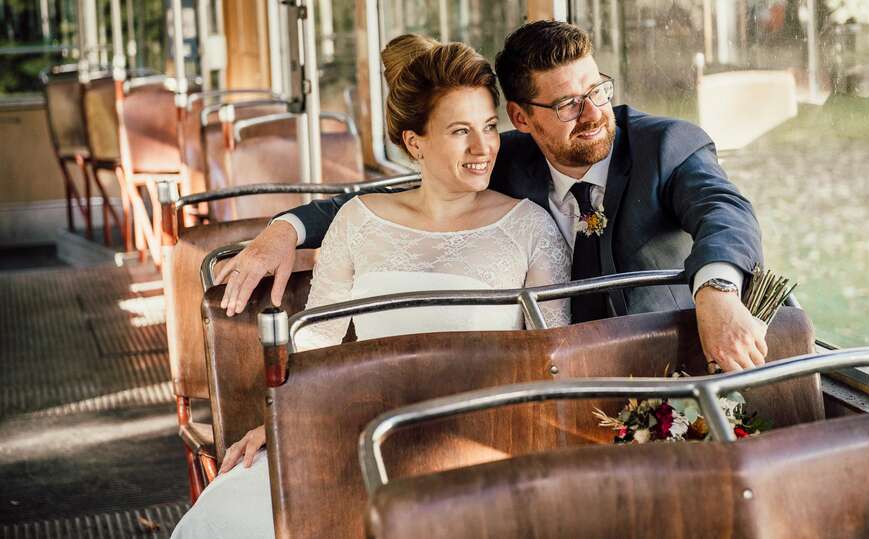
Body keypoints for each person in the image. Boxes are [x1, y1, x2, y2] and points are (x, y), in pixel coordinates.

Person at [172, 36, 570, 538]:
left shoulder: (529, 228)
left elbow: (553, 366)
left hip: (477, 445)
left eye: (490, 127)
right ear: (414, 143)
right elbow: (314, 341)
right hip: (358, 431)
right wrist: (281, 423)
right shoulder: (359, 220)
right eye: (460, 131)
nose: (483, 147)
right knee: (229, 512)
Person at [219, 20, 767, 373]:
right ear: (522, 118)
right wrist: (285, 228)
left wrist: (717, 291)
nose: (595, 113)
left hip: (666, 366)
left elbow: (725, 212)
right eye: (569, 104)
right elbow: (390, 202)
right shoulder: (499, 156)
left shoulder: (666, 146)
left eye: (597, 89)